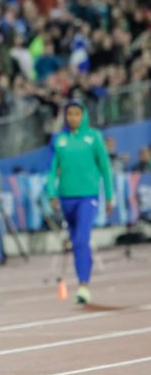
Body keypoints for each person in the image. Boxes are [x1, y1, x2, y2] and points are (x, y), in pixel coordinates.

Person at [46, 100, 113, 304]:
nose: (73, 118)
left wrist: (109, 196)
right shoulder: (59, 140)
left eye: (77, 114)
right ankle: (82, 280)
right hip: (67, 198)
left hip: (88, 196)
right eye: (70, 114)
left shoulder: (94, 137)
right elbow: (51, 170)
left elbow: (105, 168)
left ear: (83, 115)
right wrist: (51, 194)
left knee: (82, 239)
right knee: (76, 242)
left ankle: (84, 285)